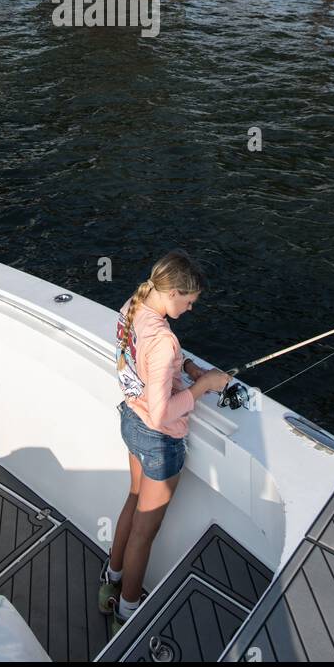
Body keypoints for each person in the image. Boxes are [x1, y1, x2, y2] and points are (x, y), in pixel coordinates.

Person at [100, 250, 231, 637]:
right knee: (146, 530)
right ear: (173, 292)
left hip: (130, 420)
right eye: (189, 302)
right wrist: (203, 386)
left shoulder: (132, 306)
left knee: (132, 498)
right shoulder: (164, 341)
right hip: (158, 440)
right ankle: (127, 608)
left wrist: (189, 368)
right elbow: (162, 414)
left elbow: (146, 364)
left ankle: (112, 574)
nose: (190, 310)